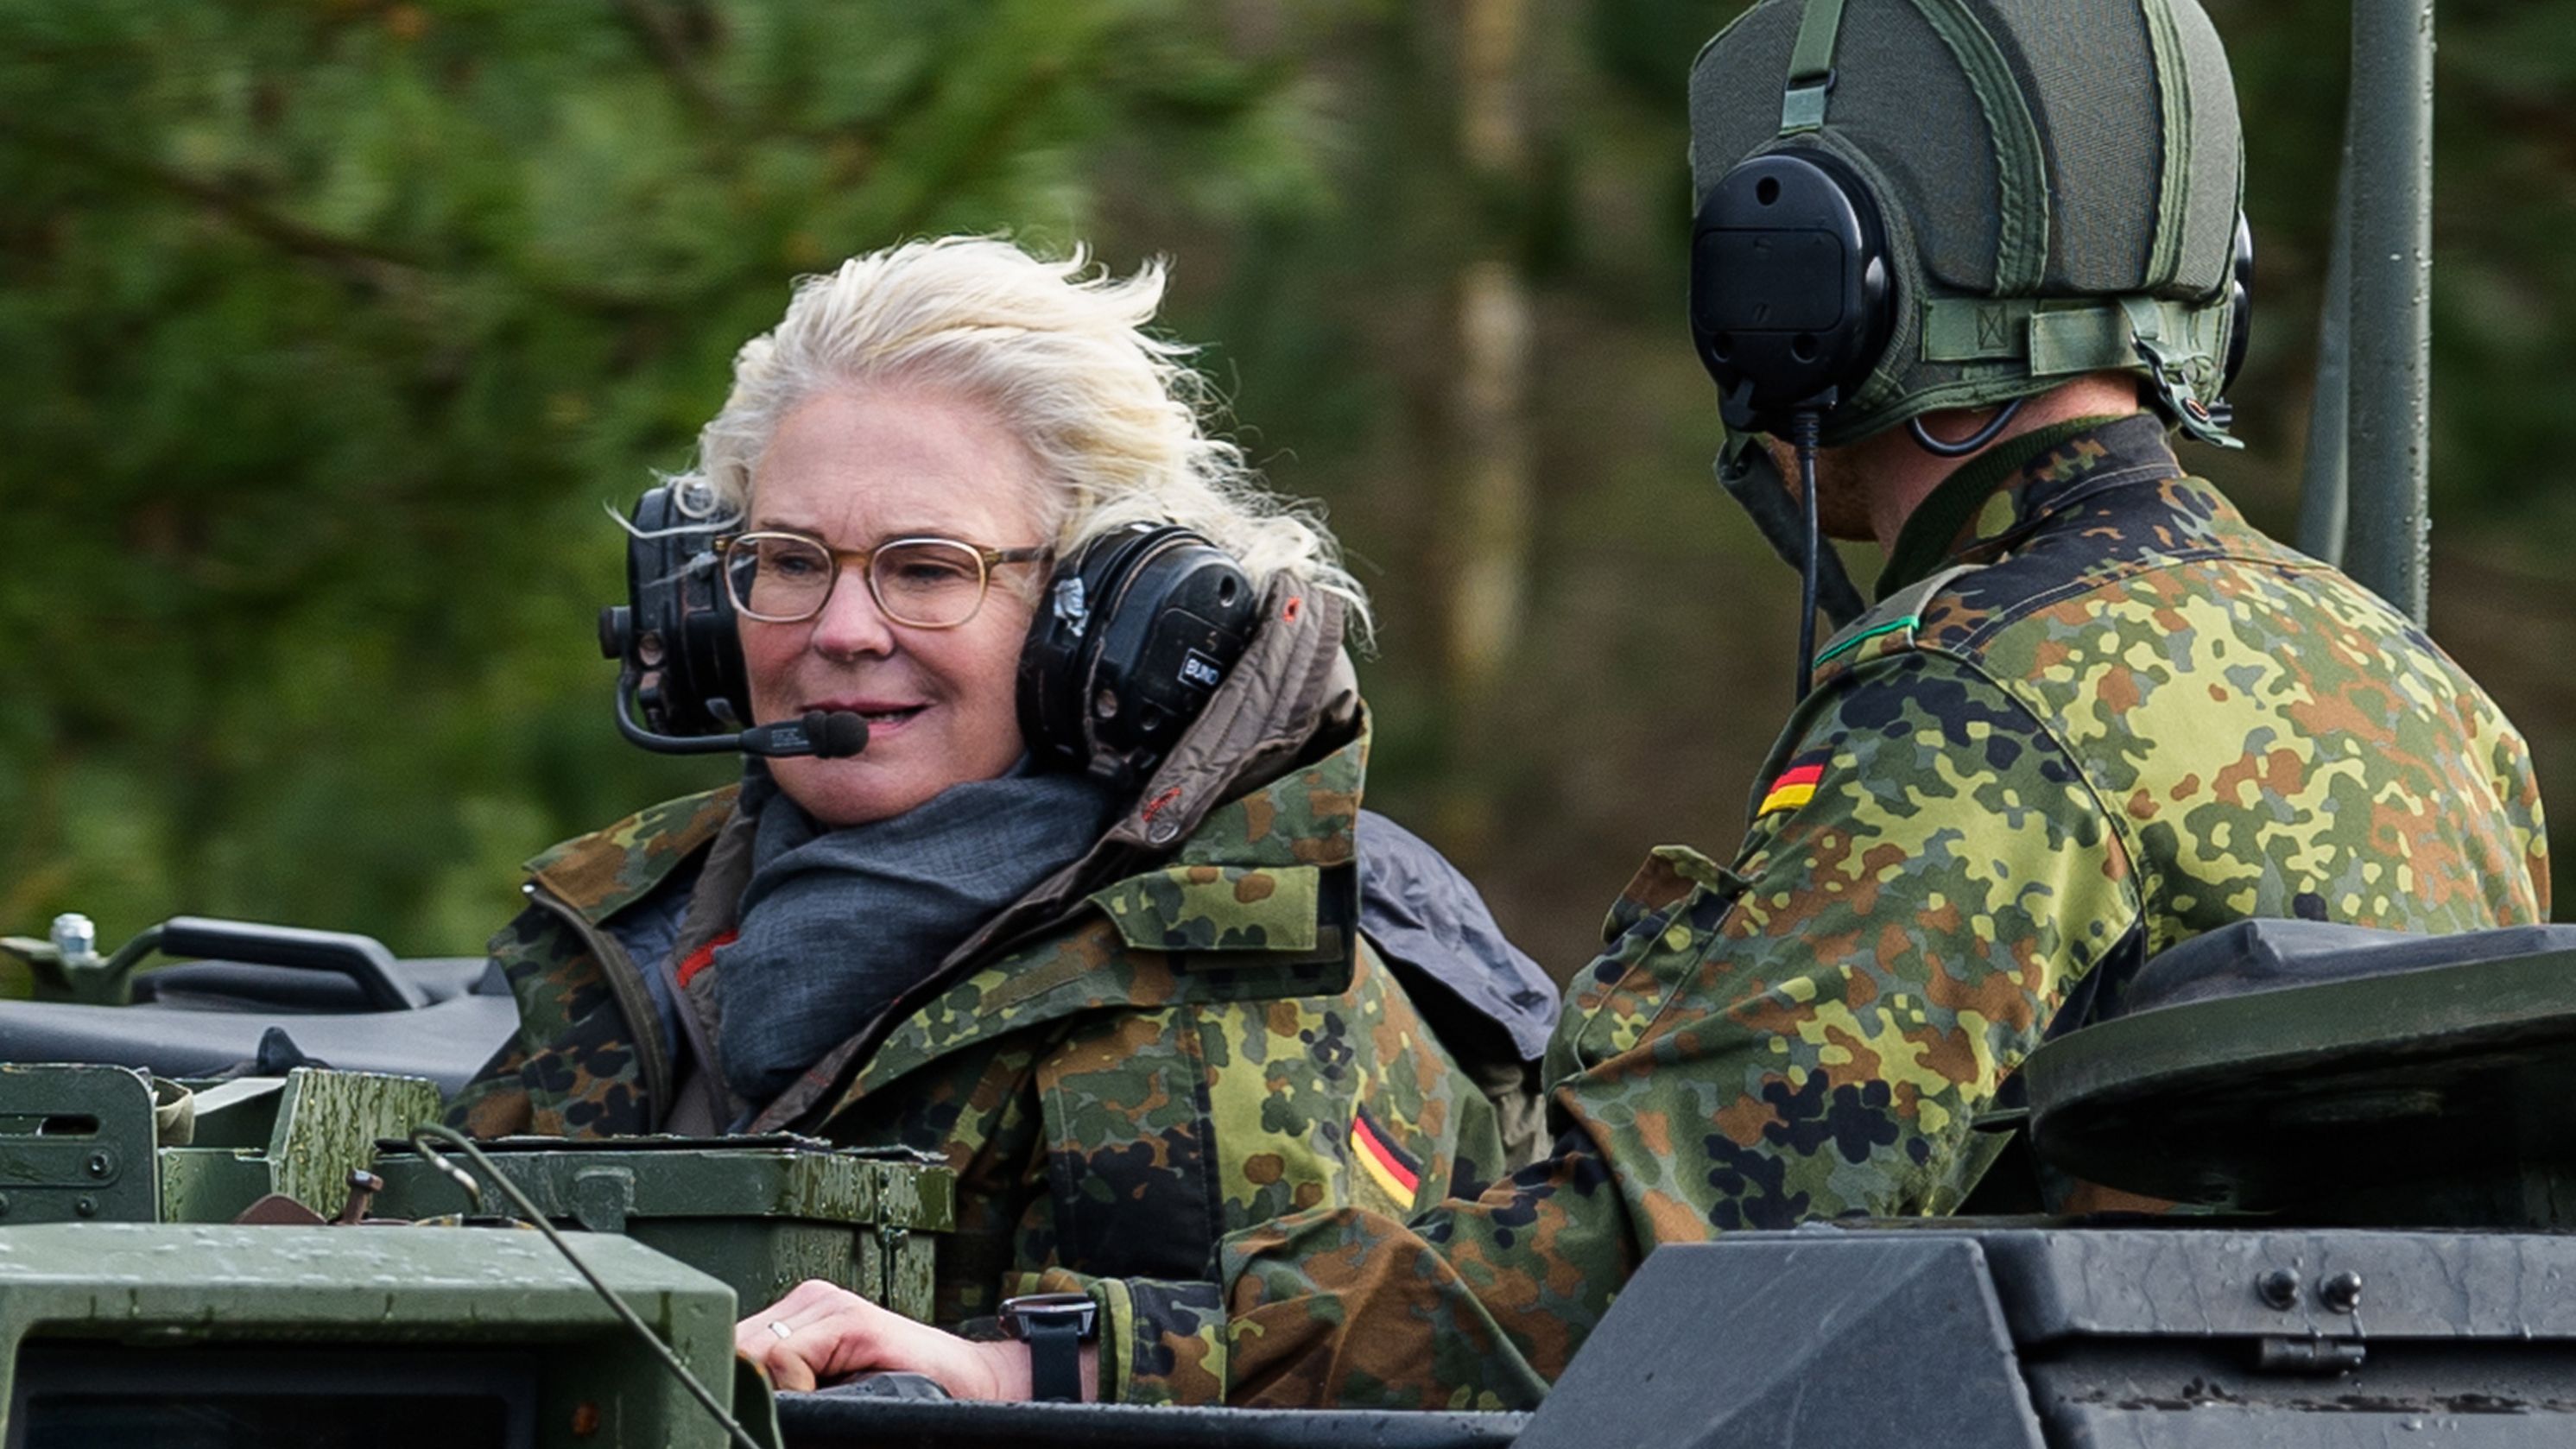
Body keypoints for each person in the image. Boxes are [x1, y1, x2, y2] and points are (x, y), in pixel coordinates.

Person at [731, 0, 2552, 1406]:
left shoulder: (1981, 713)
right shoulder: (2415, 688)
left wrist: (1047, 1366)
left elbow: (1647, 1261)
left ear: (1807, 285)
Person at [445, 237, 1560, 1331]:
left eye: (928, 569)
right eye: (788, 560)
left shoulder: (1246, 990)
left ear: (1104, 618)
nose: (841, 631)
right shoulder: (631, 923)